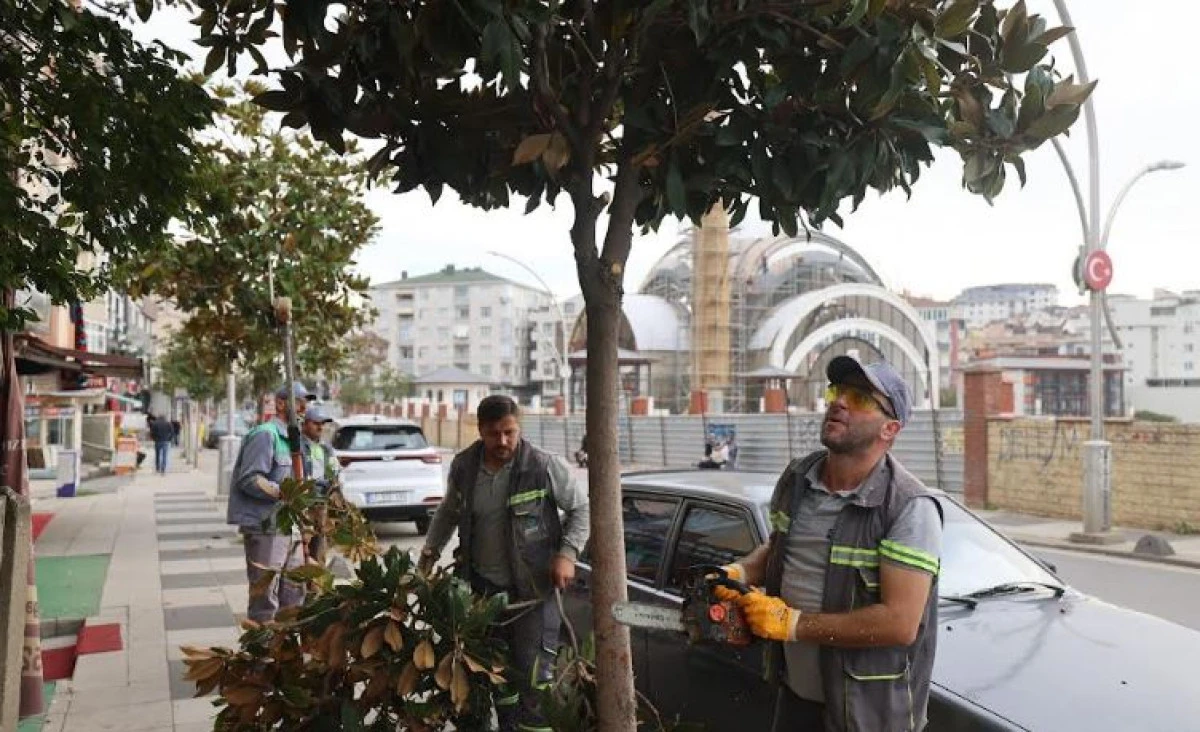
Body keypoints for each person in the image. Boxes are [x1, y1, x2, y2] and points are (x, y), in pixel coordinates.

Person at [716, 357, 943, 732]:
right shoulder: (798, 478)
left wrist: (793, 625)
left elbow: (901, 623)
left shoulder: (909, 507)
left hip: (867, 716)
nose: (839, 402)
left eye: (861, 398)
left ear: (891, 428)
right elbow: (780, 550)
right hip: (795, 698)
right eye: (838, 391)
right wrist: (737, 572)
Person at [418, 395, 590, 732]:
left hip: (532, 596)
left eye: (510, 432)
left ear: (519, 428)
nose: (503, 441)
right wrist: (427, 556)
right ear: (480, 429)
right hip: (481, 594)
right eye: (494, 433)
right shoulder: (465, 467)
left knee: (534, 680)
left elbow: (582, 509)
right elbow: (449, 512)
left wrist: (567, 554)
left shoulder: (542, 466)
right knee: (492, 676)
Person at [226, 382, 311, 623]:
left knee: (294, 595)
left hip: (291, 527)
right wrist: (284, 492)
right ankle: (262, 658)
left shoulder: (295, 440)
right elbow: (250, 479)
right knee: (266, 599)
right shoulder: (265, 435)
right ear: (281, 403)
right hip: (267, 528)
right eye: (299, 400)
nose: (305, 406)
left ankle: (285, 655)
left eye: (306, 401)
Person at [300, 405, 339, 563]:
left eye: (322, 423)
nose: (320, 427)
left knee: (320, 549)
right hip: (304, 505)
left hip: (321, 504)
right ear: (305, 423)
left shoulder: (326, 448)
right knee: (303, 548)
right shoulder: (299, 447)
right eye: (316, 423)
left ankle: (317, 585)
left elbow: (334, 472)